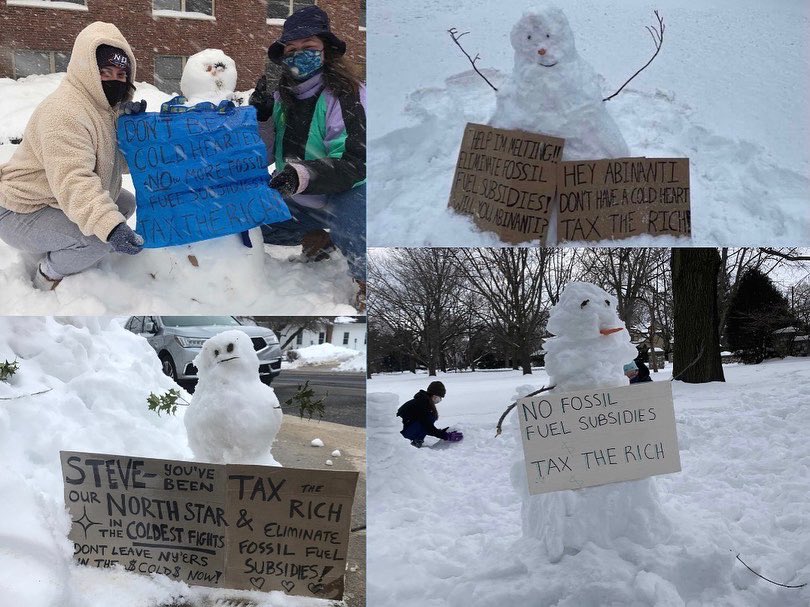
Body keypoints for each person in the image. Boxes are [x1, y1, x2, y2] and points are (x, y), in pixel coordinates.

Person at [0, 22, 147, 291]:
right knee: (98, 236)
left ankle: (67, 245)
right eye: (105, 71)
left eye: (121, 73)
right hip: (19, 209)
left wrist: (131, 135)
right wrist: (111, 229)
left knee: (123, 202)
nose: (114, 79)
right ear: (87, 70)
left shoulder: (104, 109)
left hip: (51, 197)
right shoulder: (64, 113)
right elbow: (74, 180)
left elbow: (117, 165)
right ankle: (47, 275)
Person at [249, 5, 366, 307]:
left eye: (309, 47)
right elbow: (259, 157)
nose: (300, 54)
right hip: (300, 197)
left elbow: (355, 162)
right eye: (292, 49)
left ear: (326, 51)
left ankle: (366, 280)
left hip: (350, 194)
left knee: (353, 218)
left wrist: (300, 175)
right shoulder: (281, 95)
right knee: (249, 224)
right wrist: (260, 116)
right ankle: (318, 235)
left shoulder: (348, 95)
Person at [396, 381, 463, 448]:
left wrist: (440, 432)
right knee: (430, 418)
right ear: (435, 396)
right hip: (400, 435)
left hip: (405, 430)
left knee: (429, 419)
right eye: (440, 397)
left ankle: (417, 440)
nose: (440, 400)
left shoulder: (423, 401)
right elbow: (426, 426)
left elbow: (426, 426)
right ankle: (414, 441)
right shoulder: (421, 404)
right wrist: (446, 436)